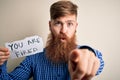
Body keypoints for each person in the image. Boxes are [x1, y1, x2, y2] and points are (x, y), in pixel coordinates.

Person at [0, 0, 104, 80]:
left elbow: (98, 61)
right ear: (50, 26)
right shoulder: (33, 58)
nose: (63, 30)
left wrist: (87, 55)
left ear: (76, 27)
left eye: (69, 24)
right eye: (58, 23)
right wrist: (1, 63)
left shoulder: (81, 54)